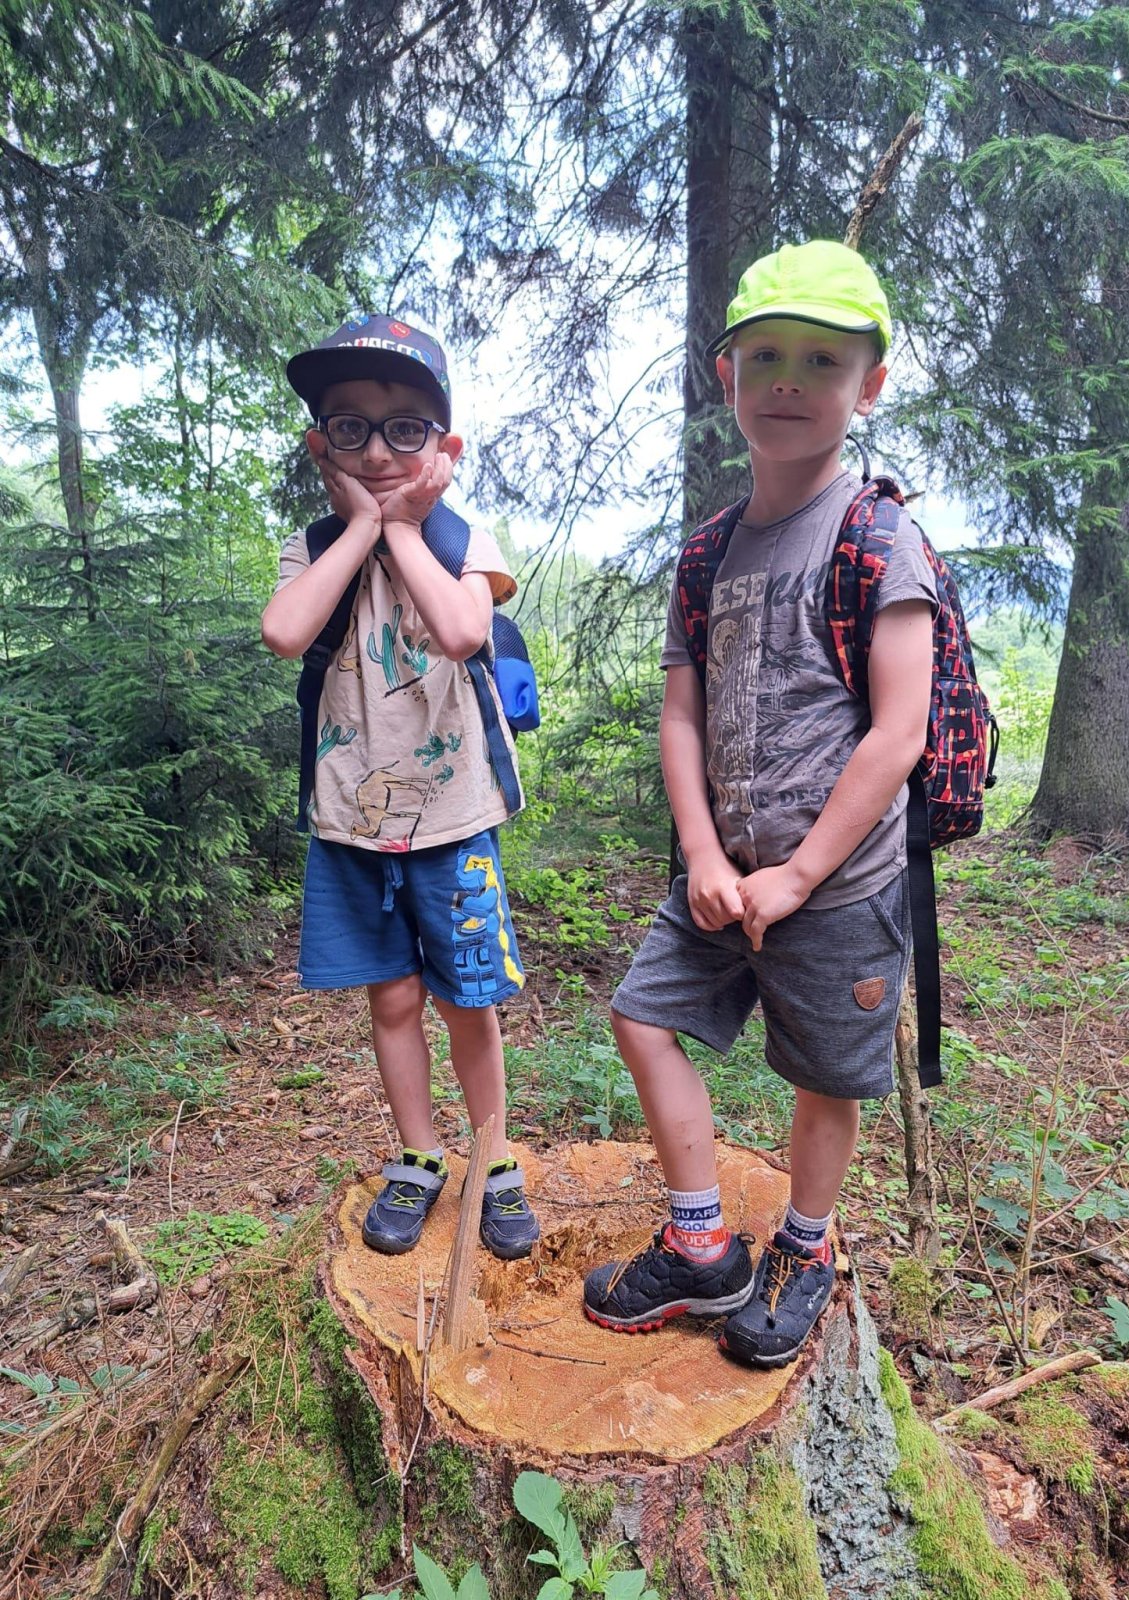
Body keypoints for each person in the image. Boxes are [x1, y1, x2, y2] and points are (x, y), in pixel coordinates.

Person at [583, 242, 937, 1365]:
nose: (789, 381)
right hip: (724, 875)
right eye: (767, 356)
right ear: (726, 374)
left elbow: (898, 732)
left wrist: (801, 871)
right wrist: (702, 850)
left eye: (823, 361)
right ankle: (701, 1244)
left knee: (825, 1075)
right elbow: (681, 715)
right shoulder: (706, 555)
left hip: (840, 887)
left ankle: (806, 1245)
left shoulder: (879, 540)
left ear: (869, 386)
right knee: (643, 1017)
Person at [262, 314, 539, 1261]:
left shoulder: (464, 539)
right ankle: (420, 1155)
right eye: (351, 428)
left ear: (445, 449)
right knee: (390, 1003)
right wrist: (361, 527)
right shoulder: (313, 546)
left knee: (470, 1003)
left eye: (405, 429)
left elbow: (462, 630)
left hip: (454, 820)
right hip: (352, 822)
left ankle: (493, 1159)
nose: (378, 451)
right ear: (321, 446)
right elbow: (285, 632)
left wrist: (405, 527)